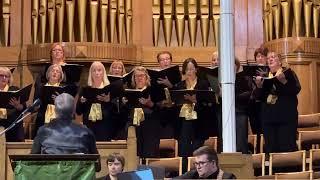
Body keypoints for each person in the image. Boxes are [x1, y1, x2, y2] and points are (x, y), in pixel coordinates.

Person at [255, 51, 301, 153]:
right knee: (271, 148)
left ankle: (290, 169)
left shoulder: (288, 73)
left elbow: (296, 89)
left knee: (287, 146)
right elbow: (258, 98)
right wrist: (259, 87)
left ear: (280, 62)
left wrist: (284, 82)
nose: (270, 59)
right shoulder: (264, 76)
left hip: (286, 117)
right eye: (268, 58)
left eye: (273, 57)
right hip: (269, 118)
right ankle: (273, 169)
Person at [174, 58, 213, 173]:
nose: (189, 72)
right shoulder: (180, 85)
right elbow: (175, 104)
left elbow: (208, 104)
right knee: (184, 149)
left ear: (196, 69)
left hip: (199, 121)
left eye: (192, 69)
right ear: (184, 71)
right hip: (184, 121)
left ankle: (198, 172)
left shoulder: (203, 84)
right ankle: (185, 172)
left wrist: (196, 101)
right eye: (187, 69)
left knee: (197, 149)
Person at [31, 93, 99, 155]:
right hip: (77, 168)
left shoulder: (43, 131)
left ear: (55, 111)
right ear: (73, 111)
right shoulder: (86, 132)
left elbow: (32, 160)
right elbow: (96, 163)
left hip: (51, 168)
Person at [124, 66, 160, 158]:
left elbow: (161, 112)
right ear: (134, 78)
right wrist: (124, 103)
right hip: (134, 127)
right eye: (137, 76)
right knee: (134, 155)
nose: (139, 78)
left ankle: (146, 171)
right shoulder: (128, 92)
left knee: (148, 155)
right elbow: (125, 113)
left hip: (150, 128)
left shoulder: (154, 91)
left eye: (142, 76)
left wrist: (150, 104)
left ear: (146, 77)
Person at [77, 61, 113, 141]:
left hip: (105, 126)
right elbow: (78, 111)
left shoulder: (109, 89)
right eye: (94, 70)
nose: (97, 73)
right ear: (91, 73)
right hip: (89, 125)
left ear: (103, 72)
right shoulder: (85, 90)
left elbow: (114, 112)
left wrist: (108, 101)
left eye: (99, 70)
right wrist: (82, 102)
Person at [33, 64, 65, 138]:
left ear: (60, 76)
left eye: (57, 71)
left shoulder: (64, 89)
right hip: (42, 119)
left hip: (59, 121)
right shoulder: (40, 87)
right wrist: (36, 106)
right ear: (48, 73)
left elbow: (68, 109)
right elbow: (35, 103)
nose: (55, 72)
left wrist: (59, 101)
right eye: (53, 70)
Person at [154, 51, 179, 140]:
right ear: (159, 62)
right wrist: (160, 103)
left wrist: (170, 85)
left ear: (171, 61)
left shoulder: (177, 74)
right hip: (160, 111)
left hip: (174, 111)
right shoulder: (154, 76)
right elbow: (153, 94)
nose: (165, 61)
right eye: (162, 60)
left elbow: (179, 92)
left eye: (167, 59)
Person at [248, 47, 268, 153]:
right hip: (254, 107)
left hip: (266, 106)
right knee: (256, 132)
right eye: (258, 56)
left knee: (266, 131)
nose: (260, 58)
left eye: (263, 56)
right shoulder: (250, 72)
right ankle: (258, 153)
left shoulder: (270, 72)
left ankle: (266, 153)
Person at [0, 67, 25, 142]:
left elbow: (24, 108)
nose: (4, 78)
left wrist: (18, 106)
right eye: (1, 75)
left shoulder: (15, 90)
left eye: (6, 76)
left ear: (9, 78)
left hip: (13, 129)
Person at [108, 60, 129, 140]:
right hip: (111, 112)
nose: (117, 70)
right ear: (111, 69)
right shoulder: (106, 81)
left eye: (119, 68)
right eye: (114, 68)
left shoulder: (126, 83)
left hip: (122, 114)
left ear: (122, 70)